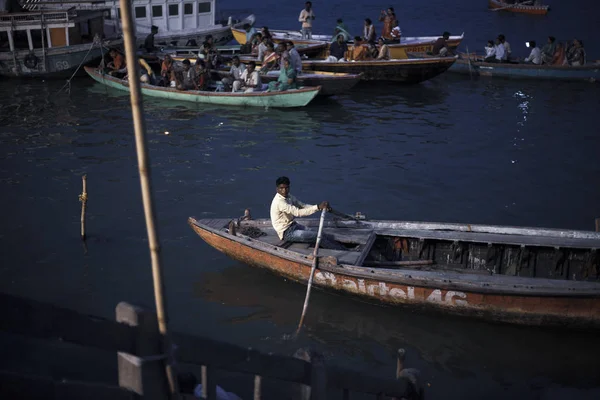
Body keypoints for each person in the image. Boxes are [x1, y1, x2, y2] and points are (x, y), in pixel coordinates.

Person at [270, 176, 345, 250]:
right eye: (281, 188)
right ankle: (340, 251)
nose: (284, 190)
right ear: (277, 189)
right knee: (317, 236)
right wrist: (318, 207)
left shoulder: (288, 196)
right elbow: (298, 212)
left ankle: (342, 247)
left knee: (320, 233)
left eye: (286, 188)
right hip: (286, 233)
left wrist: (319, 207)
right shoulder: (280, 202)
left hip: (293, 225)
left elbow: (302, 205)